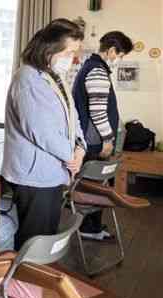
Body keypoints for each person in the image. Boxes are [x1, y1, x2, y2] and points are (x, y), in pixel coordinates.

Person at [1, 19, 87, 250]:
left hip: (53, 170)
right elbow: (41, 131)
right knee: (34, 240)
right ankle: (21, 283)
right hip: (34, 175)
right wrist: (72, 156)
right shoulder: (27, 78)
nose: (74, 59)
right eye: (70, 52)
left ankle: (32, 282)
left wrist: (80, 148)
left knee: (45, 236)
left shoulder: (53, 77)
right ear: (49, 49)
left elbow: (73, 115)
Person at [73, 31, 133, 241]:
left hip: (91, 138)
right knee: (95, 186)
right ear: (112, 50)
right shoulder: (97, 71)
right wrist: (108, 139)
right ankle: (89, 228)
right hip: (95, 140)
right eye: (121, 54)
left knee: (95, 185)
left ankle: (91, 226)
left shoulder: (91, 66)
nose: (120, 59)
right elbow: (98, 112)